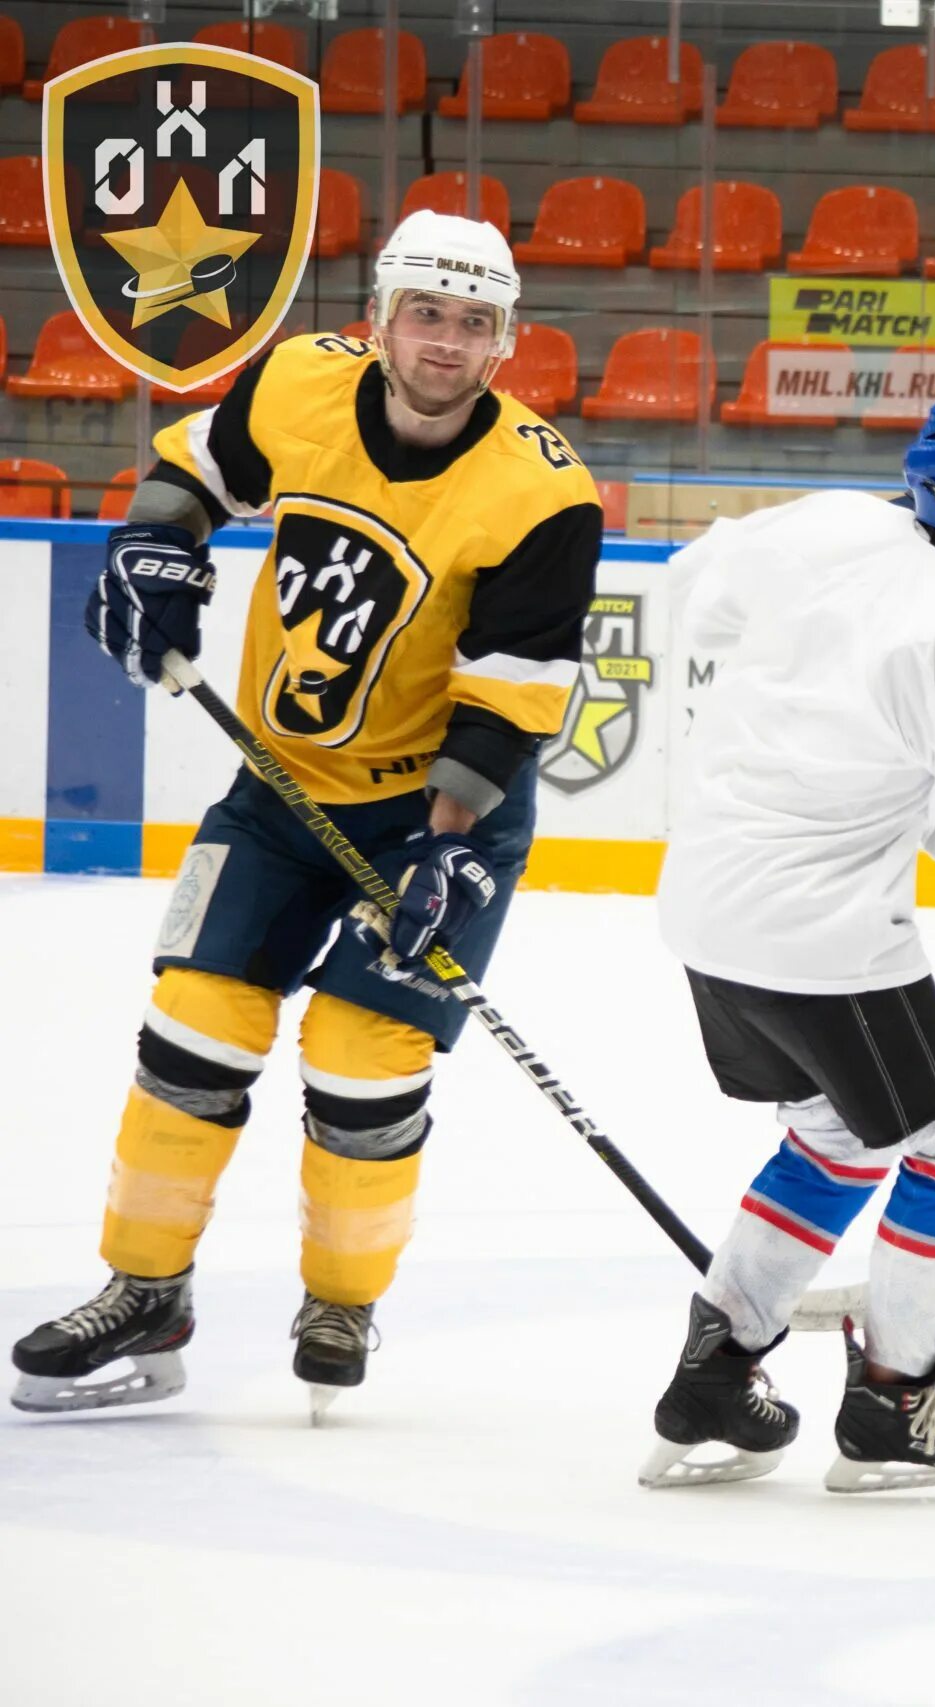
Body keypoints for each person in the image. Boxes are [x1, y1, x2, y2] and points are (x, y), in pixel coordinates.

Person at [10, 211, 601, 1420]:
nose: (445, 343)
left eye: (474, 324)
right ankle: (145, 1291)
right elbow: (193, 471)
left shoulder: (544, 493)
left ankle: (342, 1297)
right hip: (281, 788)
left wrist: (443, 851)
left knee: (361, 1060)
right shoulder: (293, 379)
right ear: (377, 317)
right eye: (425, 314)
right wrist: (153, 549)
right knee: (195, 1028)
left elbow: (508, 706)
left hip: (444, 813)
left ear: (507, 344)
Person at [639, 390, 935, 1491]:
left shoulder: (830, 523)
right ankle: (896, 1399)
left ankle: (712, 1378)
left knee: (839, 1138)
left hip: (704, 906)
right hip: (822, 937)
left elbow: (690, 590)